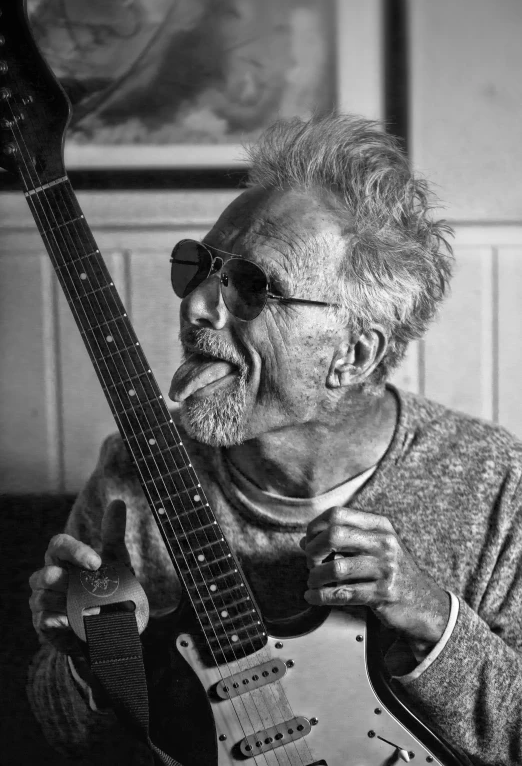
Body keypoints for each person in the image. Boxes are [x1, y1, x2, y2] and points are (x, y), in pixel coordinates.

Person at [28, 114, 522, 766]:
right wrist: (90, 658)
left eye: (251, 287)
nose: (198, 306)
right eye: (199, 267)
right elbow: (69, 736)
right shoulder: (136, 471)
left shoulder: (492, 483)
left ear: (353, 353)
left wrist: (433, 613)